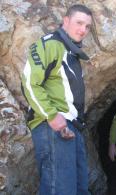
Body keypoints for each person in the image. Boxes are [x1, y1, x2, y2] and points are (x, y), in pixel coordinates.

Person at [21, 4, 93, 195]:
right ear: (66, 21)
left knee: (79, 189)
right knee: (59, 189)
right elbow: (29, 82)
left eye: (87, 26)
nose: (83, 30)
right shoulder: (50, 44)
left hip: (72, 128)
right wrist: (52, 116)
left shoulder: (71, 53)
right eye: (79, 23)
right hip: (53, 126)